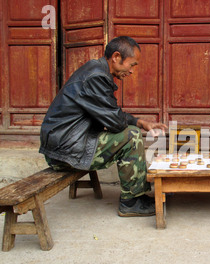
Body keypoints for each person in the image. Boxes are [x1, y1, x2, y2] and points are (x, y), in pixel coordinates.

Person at [39, 36, 167, 217]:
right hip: (65, 151)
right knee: (132, 136)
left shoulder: (96, 71)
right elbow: (115, 122)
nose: (131, 71)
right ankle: (130, 202)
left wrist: (141, 121)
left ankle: (136, 195)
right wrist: (135, 126)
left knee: (133, 129)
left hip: (64, 145)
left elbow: (111, 114)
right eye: (132, 65)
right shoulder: (96, 77)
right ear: (116, 57)